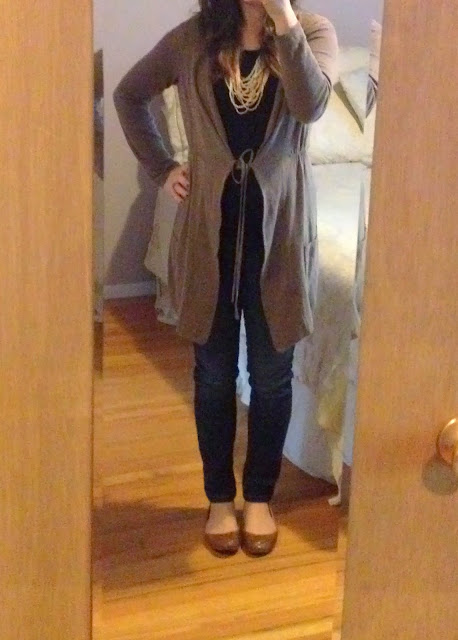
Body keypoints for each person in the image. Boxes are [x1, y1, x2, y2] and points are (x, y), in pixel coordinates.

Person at [113, 0, 338, 556]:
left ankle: (259, 497)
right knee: (213, 376)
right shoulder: (194, 38)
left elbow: (310, 107)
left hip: (278, 241)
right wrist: (163, 167)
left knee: (272, 377)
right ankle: (219, 497)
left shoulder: (312, 33)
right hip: (208, 240)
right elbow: (129, 95)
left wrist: (282, 18)